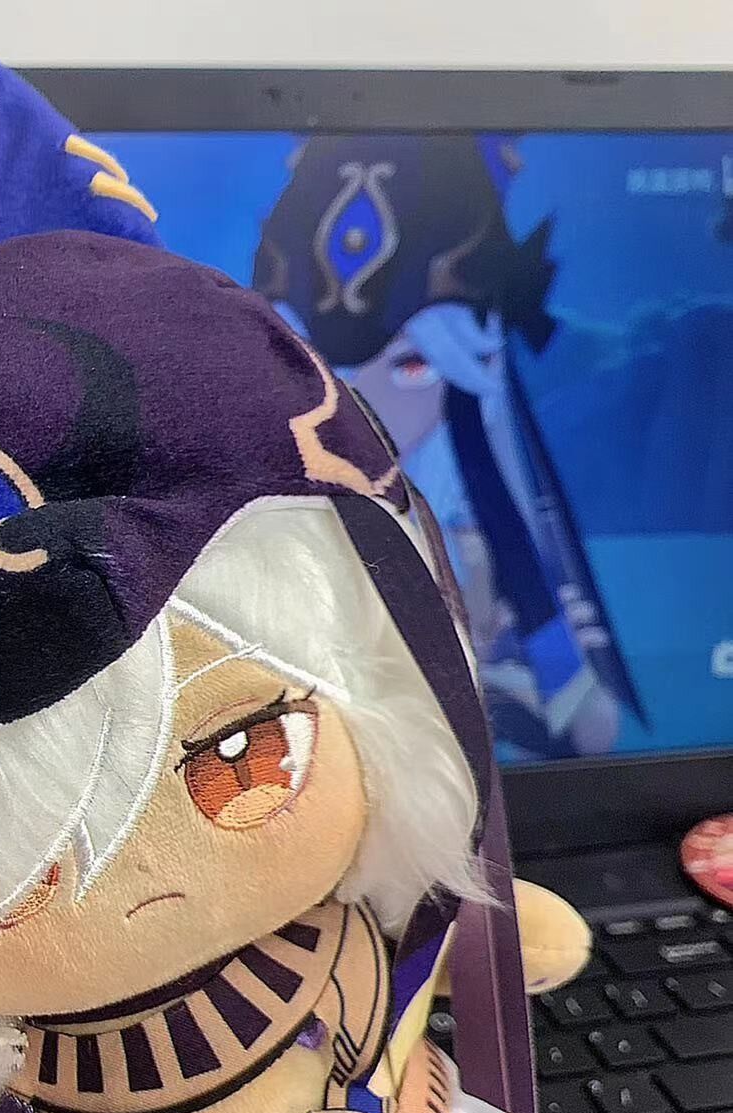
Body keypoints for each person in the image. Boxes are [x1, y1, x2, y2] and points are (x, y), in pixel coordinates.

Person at [254, 133, 642, 758]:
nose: (361, 406)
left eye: (411, 366)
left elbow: (589, 727)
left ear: (468, 369)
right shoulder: (263, 532)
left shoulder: (481, 522)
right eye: (322, 371)